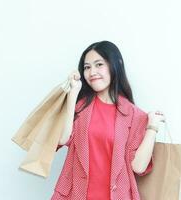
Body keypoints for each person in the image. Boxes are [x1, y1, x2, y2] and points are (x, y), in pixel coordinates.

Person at [51, 40, 166, 200]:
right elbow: (63, 139)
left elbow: (138, 167)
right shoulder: (81, 107)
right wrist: (73, 94)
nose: (92, 72)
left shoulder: (134, 116)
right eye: (87, 67)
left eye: (99, 65)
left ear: (115, 65)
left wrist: (152, 128)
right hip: (75, 195)